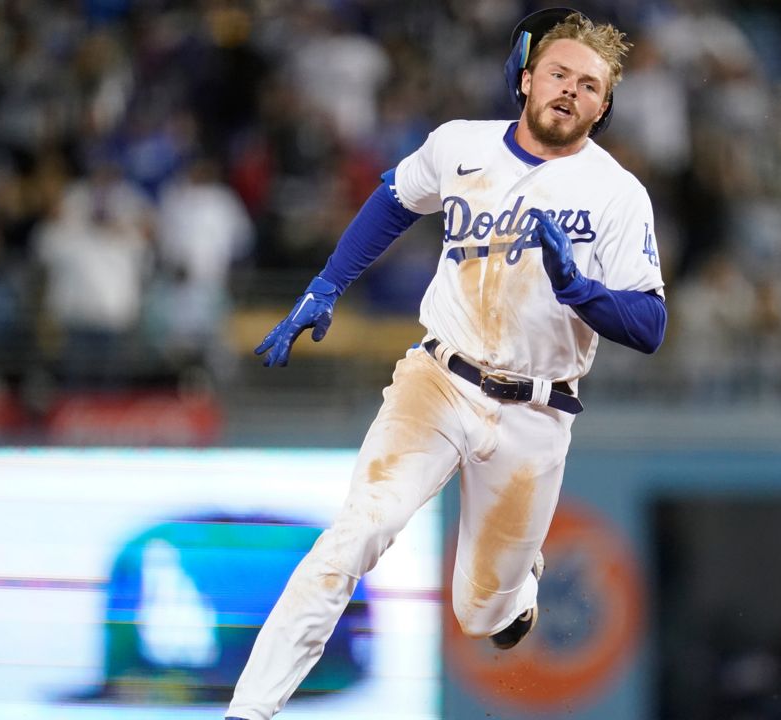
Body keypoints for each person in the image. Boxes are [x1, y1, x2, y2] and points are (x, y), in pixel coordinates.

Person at [225, 9, 666, 719]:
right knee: (354, 535)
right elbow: (394, 200)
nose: (570, 91)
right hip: (439, 379)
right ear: (525, 78)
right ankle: (248, 710)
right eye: (558, 72)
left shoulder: (615, 194)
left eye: (590, 85)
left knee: (481, 616)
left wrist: (580, 291)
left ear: (604, 106)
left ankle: (515, 587)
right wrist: (327, 284)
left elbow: (650, 326)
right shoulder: (462, 146)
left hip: (536, 412)